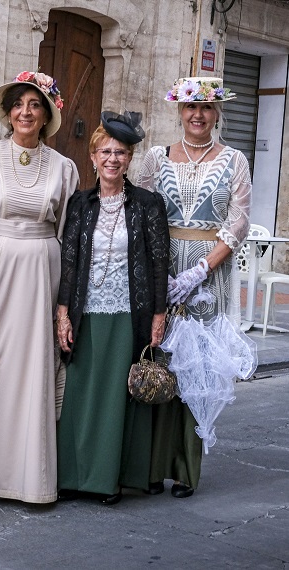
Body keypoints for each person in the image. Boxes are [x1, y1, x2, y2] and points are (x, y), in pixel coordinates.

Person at [0, 70, 79, 503]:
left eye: (35, 105)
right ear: (8, 113)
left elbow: (65, 229)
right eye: (19, 104)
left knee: (29, 369)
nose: (26, 112)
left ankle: (23, 476)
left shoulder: (65, 168)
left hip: (39, 270)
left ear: (47, 115)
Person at [137, 77, 251, 498]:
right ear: (179, 112)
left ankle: (185, 469)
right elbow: (143, 216)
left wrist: (198, 270)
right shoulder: (156, 157)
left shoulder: (235, 160)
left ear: (216, 113)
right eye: (190, 108)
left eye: (206, 108)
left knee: (196, 370)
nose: (198, 115)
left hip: (207, 276)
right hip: (161, 272)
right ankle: (149, 468)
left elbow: (237, 223)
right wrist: (160, 270)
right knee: (157, 364)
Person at [55, 112, 170, 505]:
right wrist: (63, 313)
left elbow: (159, 263)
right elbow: (69, 262)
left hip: (128, 313)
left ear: (130, 158)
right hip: (87, 312)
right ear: (92, 157)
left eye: (120, 152)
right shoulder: (80, 204)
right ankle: (73, 475)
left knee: (117, 397)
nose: (112, 159)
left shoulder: (147, 205)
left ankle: (107, 480)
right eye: (105, 151)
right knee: (81, 394)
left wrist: (158, 315)